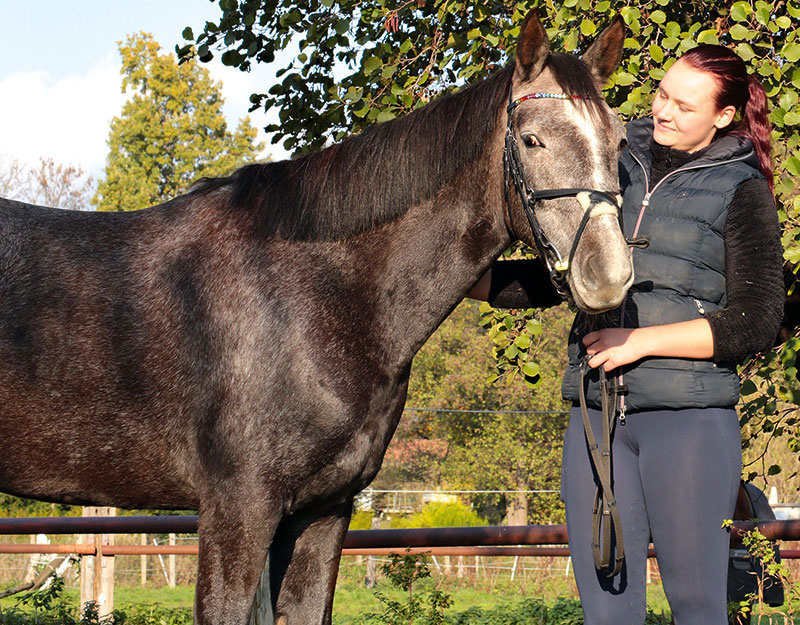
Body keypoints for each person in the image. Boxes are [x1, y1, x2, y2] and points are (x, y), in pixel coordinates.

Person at [473, 44, 784, 624]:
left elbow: (758, 319)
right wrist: (449, 278)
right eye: (662, 93)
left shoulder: (740, 190)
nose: (662, 110)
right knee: (606, 611)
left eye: (683, 106)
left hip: (687, 423)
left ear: (722, 117)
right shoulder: (612, 161)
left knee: (696, 605)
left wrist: (639, 342)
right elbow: (556, 279)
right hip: (596, 418)